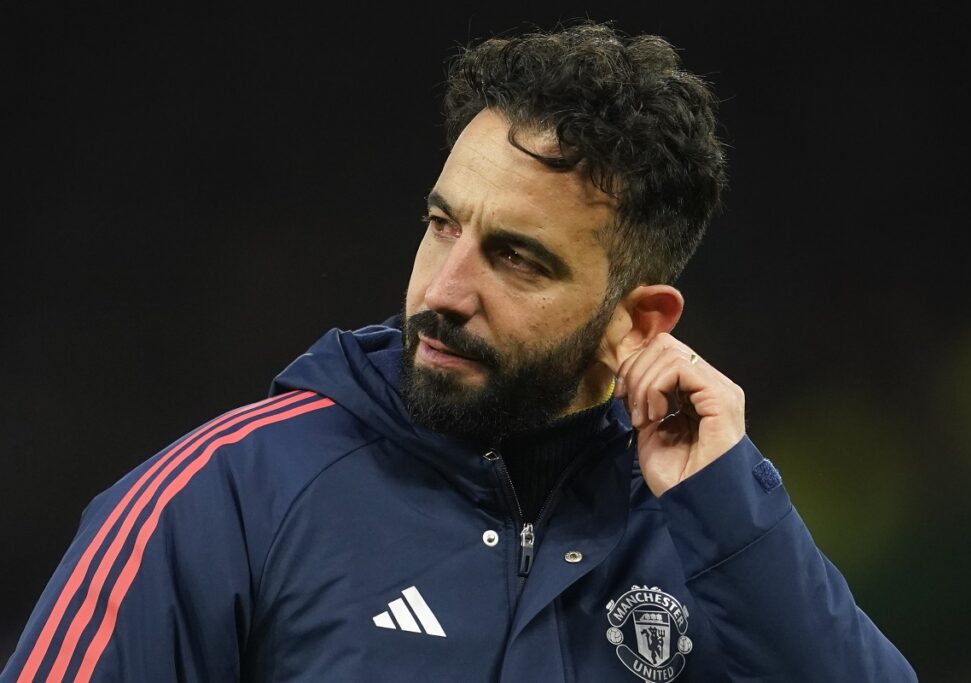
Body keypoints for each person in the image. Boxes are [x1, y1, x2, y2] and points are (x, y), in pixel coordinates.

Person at [1, 22, 916, 682]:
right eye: (443, 227)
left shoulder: (704, 534)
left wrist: (733, 513)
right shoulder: (227, 494)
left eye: (517, 259)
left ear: (637, 323)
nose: (443, 292)